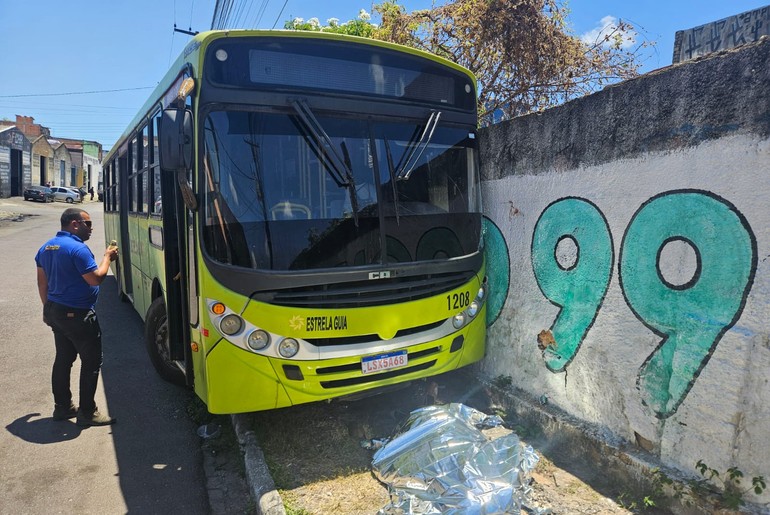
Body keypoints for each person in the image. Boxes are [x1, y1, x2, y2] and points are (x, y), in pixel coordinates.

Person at [35, 208, 119, 427]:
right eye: (88, 224)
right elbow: (96, 279)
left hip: (56, 311)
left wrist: (47, 309)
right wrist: (108, 258)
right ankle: (87, 412)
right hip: (78, 315)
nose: (91, 228)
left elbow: (42, 283)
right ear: (74, 224)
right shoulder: (78, 249)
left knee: (63, 359)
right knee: (91, 362)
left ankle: (62, 408)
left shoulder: (45, 247)